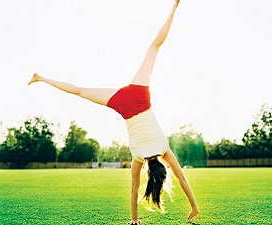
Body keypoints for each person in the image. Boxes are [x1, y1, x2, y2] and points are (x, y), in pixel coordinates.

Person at [28, 0, 199, 224]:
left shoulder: (164, 149)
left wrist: (195, 205)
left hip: (139, 95)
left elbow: (181, 177)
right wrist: (135, 220)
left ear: (161, 167)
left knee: (154, 47)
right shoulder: (138, 157)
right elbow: (134, 190)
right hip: (126, 105)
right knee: (81, 91)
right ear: (150, 172)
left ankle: (174, 6)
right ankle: (40, 78)